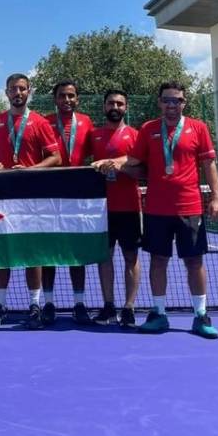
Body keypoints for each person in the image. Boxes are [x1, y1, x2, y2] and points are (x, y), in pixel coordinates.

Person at [94, 80, 218, 339]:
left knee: (194, 261)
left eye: (177, 100)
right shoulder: (148, 129)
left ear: (184, 103)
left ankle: (201, 315)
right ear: (159, 103)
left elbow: (209, 164)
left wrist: (216, 198)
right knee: (158, 261)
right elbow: (134, 159)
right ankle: (159, 313)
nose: (172, 105)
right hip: (155, 209)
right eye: (167, 100)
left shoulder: (198, 128)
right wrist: (112, 162)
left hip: (190, 208)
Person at [0, 73, 61, 329]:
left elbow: (55, 157)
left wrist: (31, 170)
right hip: (3, 196)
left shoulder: (40, 122)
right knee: (2, 252)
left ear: (29, 91)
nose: (17, 93)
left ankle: (34, 305)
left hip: (32, 196)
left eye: (22, 88)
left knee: (33, 252)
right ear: (6, 92)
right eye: (13, 89)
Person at [43, 79, 94, 325]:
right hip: (49, 194)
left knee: (77, 253)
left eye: (71, 95)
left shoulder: (86, 122)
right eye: (62, 96)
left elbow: (95, 152)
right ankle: (48, 303)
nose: (67, 100)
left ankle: (79, 304)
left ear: (77, 99)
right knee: (49, 252)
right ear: (55, 99)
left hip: (77, 194)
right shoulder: (44, 122)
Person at [90, 90, 141, 328]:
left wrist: (121, 167)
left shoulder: (135, 136)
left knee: (131, 257)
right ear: (104, 107)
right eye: (111, 103)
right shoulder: (94, 135)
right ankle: (108, 306)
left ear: (125, 108)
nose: (115, 107)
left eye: (120, 103)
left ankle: (129, 308)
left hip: (129, 208)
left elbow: (143, 171)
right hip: (101, 209)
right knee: (104, 257)